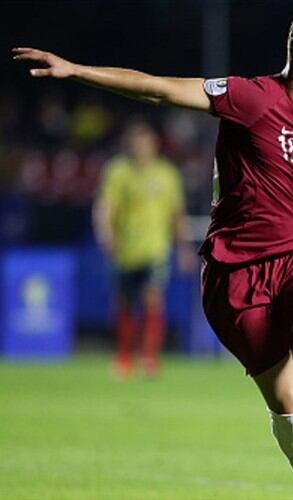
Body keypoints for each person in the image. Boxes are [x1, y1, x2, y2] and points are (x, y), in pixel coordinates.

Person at [14, 6, 293, 499]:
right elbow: (158, 88)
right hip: (234, 273)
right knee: (287, 403)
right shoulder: (250, 97)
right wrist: (76, 70)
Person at [93, 121, 193, 379]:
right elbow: (105, 207)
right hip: (125, 250)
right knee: (124, 305)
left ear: (154, 145)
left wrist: (184, 247)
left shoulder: (166, 174)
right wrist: (106, 234)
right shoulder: (118, 171)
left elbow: (177, 214)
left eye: (145, 143)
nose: (141, 148)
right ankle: (125, 357)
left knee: (152, 299)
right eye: (136, 143)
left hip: (155, 250)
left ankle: (149, 358)